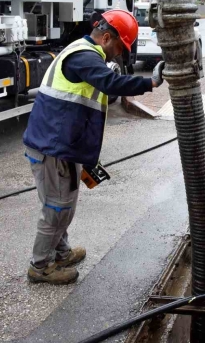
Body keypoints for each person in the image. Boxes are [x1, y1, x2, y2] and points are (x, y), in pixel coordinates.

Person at [22, 9, 165, 285]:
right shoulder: (84, 57)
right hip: (53, 147)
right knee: (57, 208)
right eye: (120, 48)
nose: (119, 55)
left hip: (64, 145)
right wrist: (152, 82)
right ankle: (39, 266)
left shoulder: (86, 53)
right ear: (107, 37)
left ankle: (61, 253)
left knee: (63, 205)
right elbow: (110, 83)